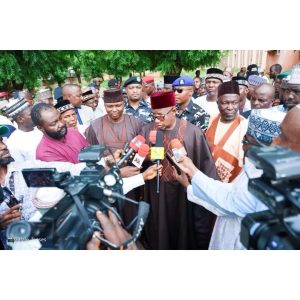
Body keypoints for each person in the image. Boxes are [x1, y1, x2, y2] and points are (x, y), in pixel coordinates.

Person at [173, 107, 288, 249]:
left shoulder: (268, 176)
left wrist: (193, 171)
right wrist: (190, 184)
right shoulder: (255, 164)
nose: (242, 144)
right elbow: (232, 190)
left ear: (264, 146)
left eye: (246, 140)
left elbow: (229, 201)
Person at [139, 91, 218, 250]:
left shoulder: (192, 132)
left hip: (184, 196)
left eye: (161, 116)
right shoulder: (147, 131)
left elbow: (206, 168)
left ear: (174, 111)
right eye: (154, 115)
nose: (157, 120)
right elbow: (136, 163)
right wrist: (147, 158)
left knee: (183, 237)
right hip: (156, 195)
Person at [206, 81, 248, 183]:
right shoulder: (213, 119)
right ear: (217, 103)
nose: (230, 107)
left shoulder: (245, 125)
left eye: (234, 103)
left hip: (232, 181)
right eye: (225, 103)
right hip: (208, 177)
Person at [5, 98, 43, 163]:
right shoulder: (13, 143)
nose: (35, 115)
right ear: (20, 119)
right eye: (31, 114)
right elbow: (20, 168)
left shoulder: (41, 128)